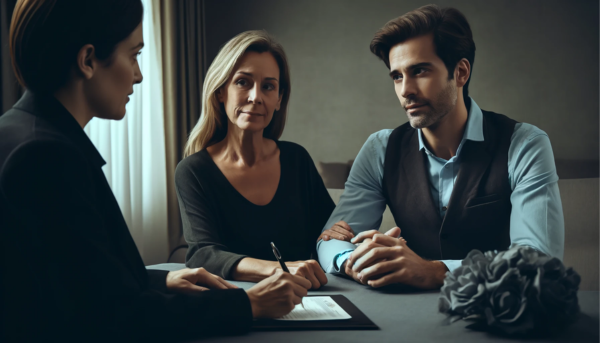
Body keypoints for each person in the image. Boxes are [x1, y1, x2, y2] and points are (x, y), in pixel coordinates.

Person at [0, 1, 310, 341]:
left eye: (269, 86)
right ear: (88, 60)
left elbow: (78, 279)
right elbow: (117, 317)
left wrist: (160, 279)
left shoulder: (18, 132)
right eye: (134, 55)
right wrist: (248, 304)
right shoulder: (46, 157)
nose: (139, 74)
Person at [317, 4, 564, 290]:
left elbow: (541, 262)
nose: (405, 90)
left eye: (419, 71)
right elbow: (330, 241)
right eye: (397, 76)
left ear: (460, 72)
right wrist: (354, 261)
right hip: (406, 319)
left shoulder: (525, 144)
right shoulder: (379, 149)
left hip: (497, 319)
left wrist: (434, 271)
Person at [176, 30, 333, 289]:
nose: (256, 97)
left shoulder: (297, 158)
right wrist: (279, 269)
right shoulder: (194, 171)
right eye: (243, 82)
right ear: (220, 91)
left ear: (279, 99)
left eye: (268, 86)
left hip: (313, 299)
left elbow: (329, 232)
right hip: (243, 303)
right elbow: (203, 253)